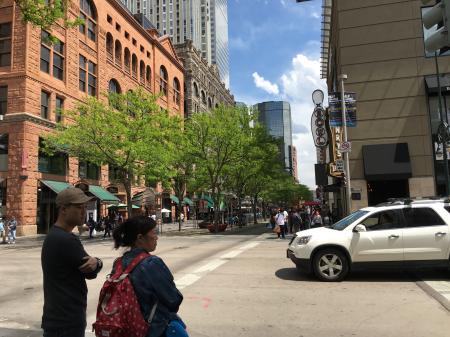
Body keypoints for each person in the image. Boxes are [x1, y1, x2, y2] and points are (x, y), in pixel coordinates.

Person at [41, 187, 103, 337]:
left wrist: (95, 262)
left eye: (84, 207)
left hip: (57, 319)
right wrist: (98, 262)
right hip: (67, 322)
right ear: (63, 209)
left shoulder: (53, 235)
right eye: (79, 207)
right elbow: (91, 271)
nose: (83, 211)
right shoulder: (67, 239)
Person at [111, 216, 187, 337]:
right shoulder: (151, 263)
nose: (156, 237)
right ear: (140, 238)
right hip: (154, 330)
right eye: (154, 233)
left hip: (126, 328)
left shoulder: (118, 263)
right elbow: (173, 300)